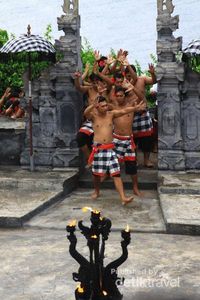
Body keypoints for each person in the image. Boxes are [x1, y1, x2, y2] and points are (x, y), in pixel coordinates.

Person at [84, 96, 144, 205]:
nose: (106, 107)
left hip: (110, 149)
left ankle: (123, 197)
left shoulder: (111, 115)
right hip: (98, 149)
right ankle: (96, 191)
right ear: (97, 107)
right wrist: (93, 105)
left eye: (106, 105)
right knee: (96, 175)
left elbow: (123, 111)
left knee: (116, 174)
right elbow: (85, 113)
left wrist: (134, 108)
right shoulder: (93, 116)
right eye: (102, 106)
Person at [112, 86, 145, 196]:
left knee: (132, 166)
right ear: (114, 96)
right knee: (113, 164)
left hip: (128, 140)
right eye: (117, 96)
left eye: (121, 95)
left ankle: (135, 188)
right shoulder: (112, 106)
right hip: (116, 139)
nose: (119, 98)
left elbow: (143, 99)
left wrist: (133, 88)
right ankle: (117, 189)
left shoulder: (131, 105)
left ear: (125, 96)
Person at [127, 64, 157, 167]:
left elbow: (154, 81)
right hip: (130, 114)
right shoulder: (124, 84)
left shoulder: (142, 79)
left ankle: (146, 161)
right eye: (128, 75)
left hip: (143, 114)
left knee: (147, 140)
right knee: (132, 139)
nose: (130, 77)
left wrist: (152, 73)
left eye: (131, 74)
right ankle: (134, 160)